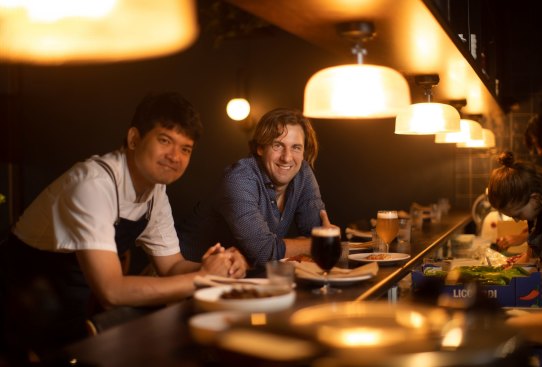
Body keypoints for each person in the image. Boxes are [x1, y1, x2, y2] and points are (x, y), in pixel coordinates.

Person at [0, 92, 247, 362]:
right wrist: (203, 278)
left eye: (185, 149)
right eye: (165, 140)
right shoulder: (93, 184)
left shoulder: (156, 192)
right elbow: (111, 291)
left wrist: (219, 266)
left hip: (70, 306)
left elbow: (172, 267)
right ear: (134, 138)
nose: (175, 156)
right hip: (19, 302)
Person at [178, 107, 330, 273]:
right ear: (260, 148)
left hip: (238, 276)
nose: (287, 157)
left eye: (296, 147)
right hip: (185, 273)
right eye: (277, 145)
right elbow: (265, 252)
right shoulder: (239, 179)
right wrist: (317, 243)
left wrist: (312, 243)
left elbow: (315, 232)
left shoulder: (302, 172)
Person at [487, 151, 542, 269]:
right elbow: (530, 258)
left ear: (535, 198)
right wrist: (510, 271)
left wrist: (526, 274)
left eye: (518, 214)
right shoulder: (536, 211)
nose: (516, 221)